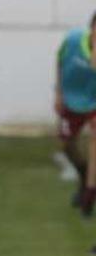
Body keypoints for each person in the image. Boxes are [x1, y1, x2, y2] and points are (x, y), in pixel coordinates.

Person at [54, 12, 96, 217]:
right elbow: (60, 61)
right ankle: (85, 176)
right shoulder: (72, 40)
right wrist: (59, 93)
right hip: (71, 100)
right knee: (67, 145)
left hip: (93, 101)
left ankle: (89, 191)